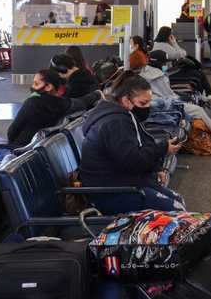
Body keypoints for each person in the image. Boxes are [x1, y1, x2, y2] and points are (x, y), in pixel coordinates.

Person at [79, 72, 185, 215]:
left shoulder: (119, 114)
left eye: (149, 102)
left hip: (121, 181)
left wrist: (155, 167)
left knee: (178, 201)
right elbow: (132, 160)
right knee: (176, 210)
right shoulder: (115, 123)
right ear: (126, 100)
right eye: (143, 103)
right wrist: (162, 149)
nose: (147, 107)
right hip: (109, 193)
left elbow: (136, 150)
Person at [139, 51, 211, 147]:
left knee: (193, 111)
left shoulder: (145, 73)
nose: (166, 65)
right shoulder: (159, 76)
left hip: (156, 105)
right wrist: (181, 97)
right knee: (197, 110)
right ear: (160, 62)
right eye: (165, 62)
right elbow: (168, 96)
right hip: (166, 107)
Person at [7, 69, 101, 147]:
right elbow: (83, 101)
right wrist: (97, 94)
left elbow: (11, 133)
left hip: (15, 153)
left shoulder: (31, 103)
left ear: (48, 87)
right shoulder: (65, 104)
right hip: (36, 151)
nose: (32, 87)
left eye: (36, 84)